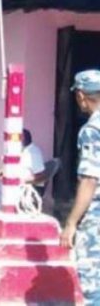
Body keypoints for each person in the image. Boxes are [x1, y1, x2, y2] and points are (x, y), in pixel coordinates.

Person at [60, 70, 100, 303]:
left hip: (96, 219)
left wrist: (71, 223)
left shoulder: (92, 131)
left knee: (94, 286)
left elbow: (90, 179)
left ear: (81, 96)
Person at [0, 129, 47, 209]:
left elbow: (42, 176)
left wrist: (21, 181)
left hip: (29, 188)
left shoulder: (33, 153)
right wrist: (3, 172)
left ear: (23, 139)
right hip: (18, 184)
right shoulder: (23, 151)